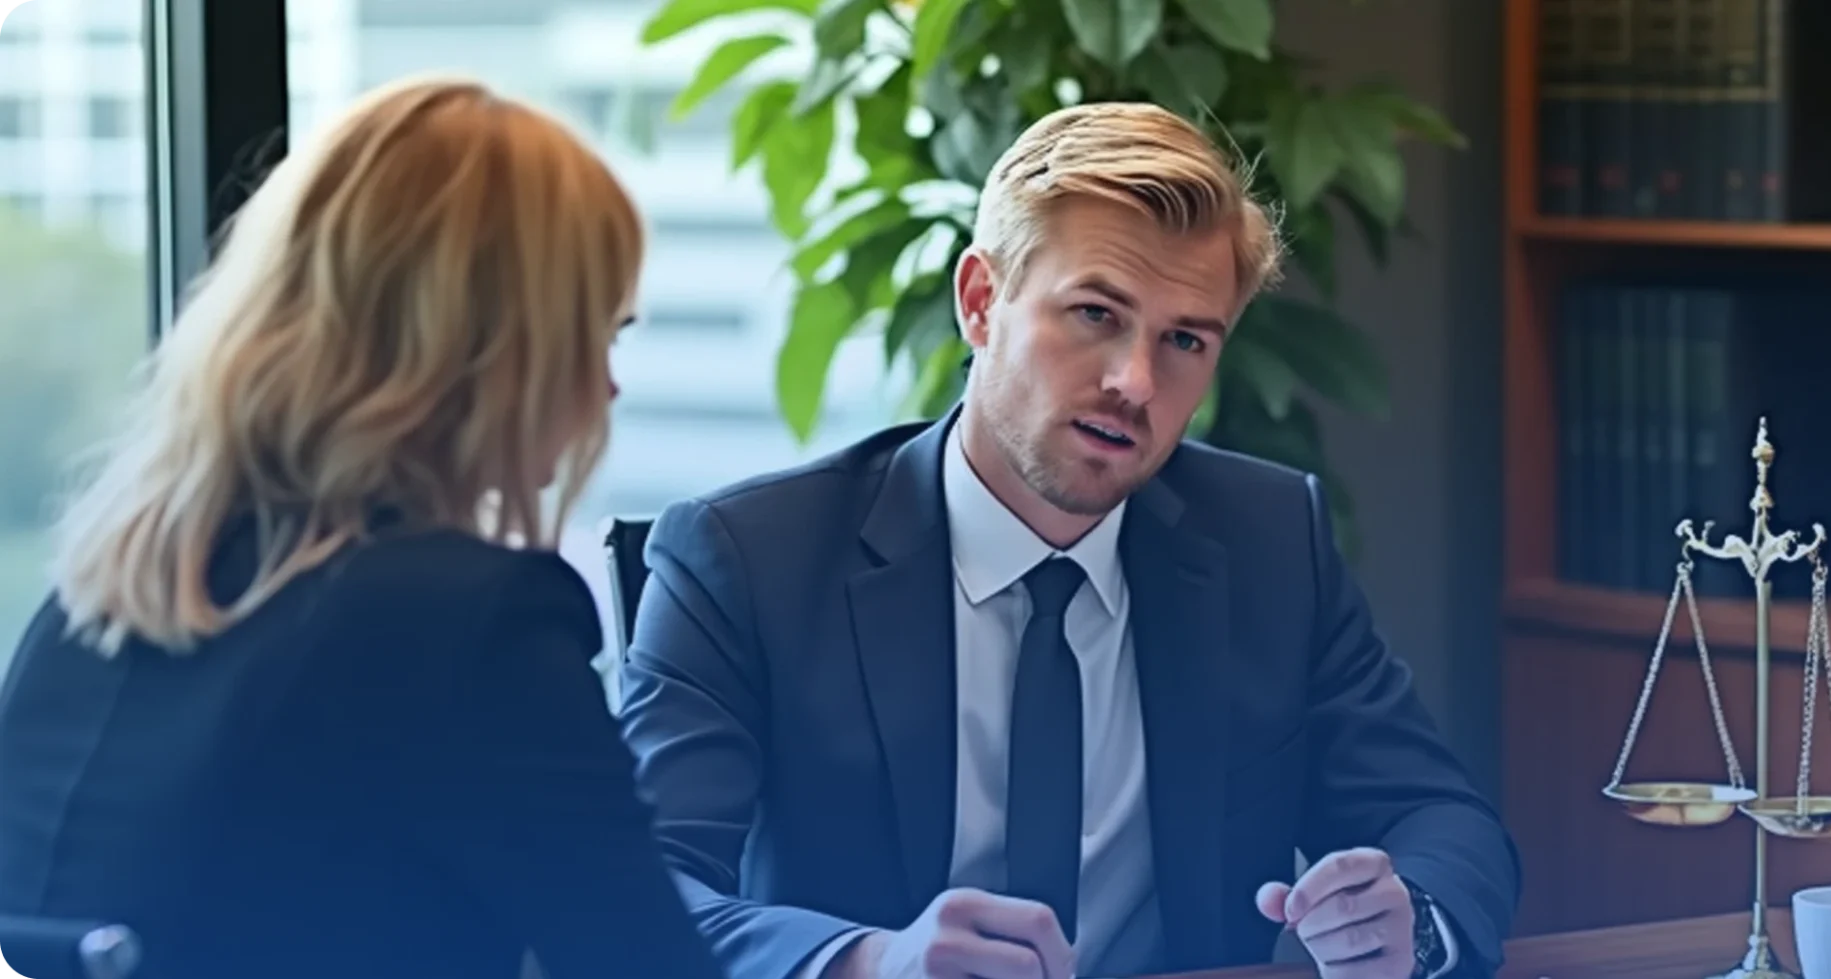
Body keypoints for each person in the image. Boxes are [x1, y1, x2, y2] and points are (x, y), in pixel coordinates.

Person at [615, 101, 1519, 979]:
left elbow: (1443, 821)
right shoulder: (746, 560)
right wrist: (871, 960)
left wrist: (1409, 920)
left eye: (1185, 340)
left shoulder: (1270, 539)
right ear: (980, 301)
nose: (1134, 380)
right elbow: (638, 896)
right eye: (1095, 313)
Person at [0, 76, 725, 979]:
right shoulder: (468, 623)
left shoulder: (100, 598)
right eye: (597, 333)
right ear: (497, 346)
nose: (607, 388)